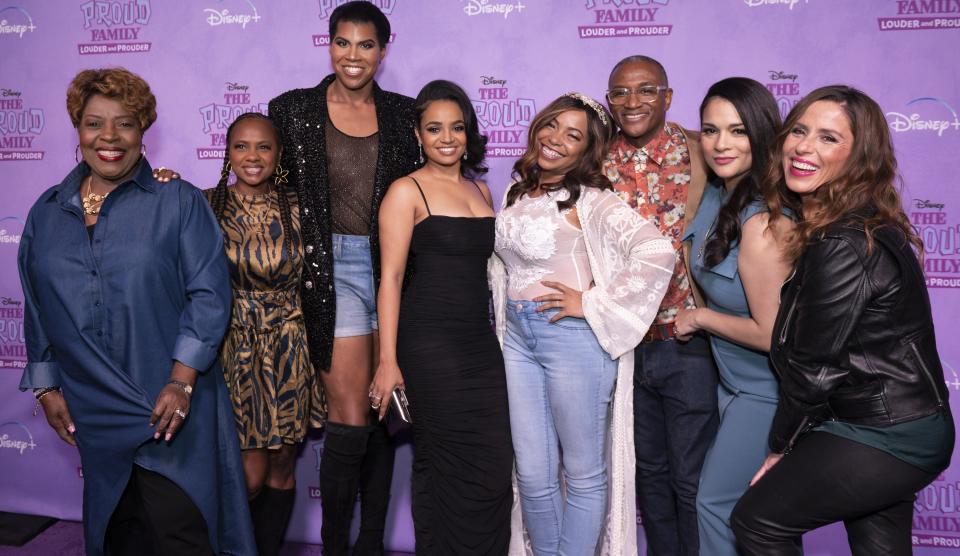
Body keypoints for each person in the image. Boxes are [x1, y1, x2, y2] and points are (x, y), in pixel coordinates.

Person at [19, 68, 254, 556]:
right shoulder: (45, 213)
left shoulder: (178, 202)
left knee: (183, 531)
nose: (108, 137)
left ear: (142, 132)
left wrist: (182, 380)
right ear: (77, 129)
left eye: (124, 123)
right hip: (93, 409)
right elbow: (37, 304)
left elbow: (209, 296)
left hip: (170, 403)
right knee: (119, 533)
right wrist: (46, 385)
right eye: (93, 123)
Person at [730, 85, 955, 555]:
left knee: (757, 522)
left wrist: (780, 449)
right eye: (799, 131)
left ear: (859, 157)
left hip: (885, 431)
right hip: (896, 424)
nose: (804, 147)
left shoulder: (844, 242)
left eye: (829, 138)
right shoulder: (853, 225)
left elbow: (814, 369)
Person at [490, 93, 676, 556]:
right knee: (532, 473)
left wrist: (591, 301)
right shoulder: (517, 192)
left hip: (571, 339)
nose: (555, 139)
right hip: (517, 339)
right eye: (552, 125)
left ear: (585, 152)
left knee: (584, 473)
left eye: (573, 135)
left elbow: (658, 252)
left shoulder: (592, 201)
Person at [267, 2, 419, 553]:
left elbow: (434, 178)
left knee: (382, 412)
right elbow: (263, 176)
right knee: (351, 413)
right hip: (327, 270)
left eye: (366, 45)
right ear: (328, 44)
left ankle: (371, 542)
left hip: (395, 268)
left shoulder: (405, 114)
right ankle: (337, 544)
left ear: (384, 47)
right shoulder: (293, 109)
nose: (353, 56)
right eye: (343, 42)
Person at [370, 79, 513, 555]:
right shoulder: (405, 192)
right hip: (429, 345)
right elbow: (388, 280)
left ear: (469, 132)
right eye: (434, 128)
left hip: (480, 344)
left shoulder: (483, 191)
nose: (446, 138)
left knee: (493, 464)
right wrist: (387, 361)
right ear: (417, 135)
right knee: (444, 462)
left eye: (456, 127)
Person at [602, 55, 718, 555]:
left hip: (687, 339)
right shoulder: (594, 159)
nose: (633, 102)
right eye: (621, 93)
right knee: (647, 474)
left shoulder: (704, 152)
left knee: (691, 476)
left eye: (646, 90)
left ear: (668, 97)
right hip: (623, 344)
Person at [672, 78, 791, 555]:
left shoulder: (761, 220)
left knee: (717, 505)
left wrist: (698, 319)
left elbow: (771, 333)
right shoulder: (720, 193)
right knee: (763, 518)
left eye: (738, 131)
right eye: (710, 130)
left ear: (762, 136)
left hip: (766, 391)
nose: (721, 144)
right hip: (731, 384)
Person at [204, 112, 324, 556]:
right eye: (241, 146)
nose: (252, 157)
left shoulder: (299, 205)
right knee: (249, 473)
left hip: (291, 343)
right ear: (228, 152)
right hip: (235, 346)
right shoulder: (205, 203)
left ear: (278, 153)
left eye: (263, 147)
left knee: (281, 464)